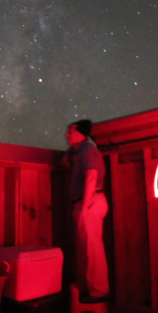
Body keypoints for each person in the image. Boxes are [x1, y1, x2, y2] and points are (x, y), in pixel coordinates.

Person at [65, 119, 109, 302]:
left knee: (92, 248)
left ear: (81, 133)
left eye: (71, 131)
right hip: (86, 202)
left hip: (89, 202)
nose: (67, 134)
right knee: (84, 247)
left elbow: (91, 177)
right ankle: (86, 287)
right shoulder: (80, 152)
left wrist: (85, 206)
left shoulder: (88, 151)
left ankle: (98, 291)